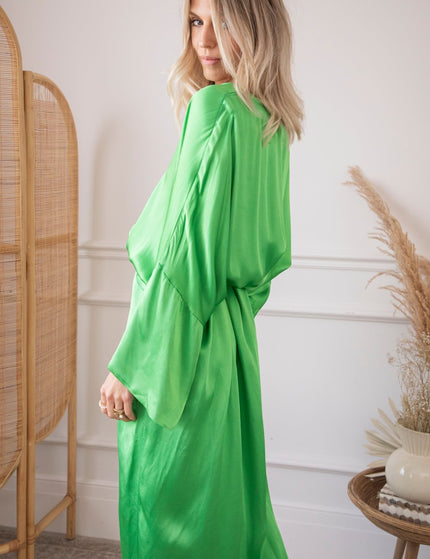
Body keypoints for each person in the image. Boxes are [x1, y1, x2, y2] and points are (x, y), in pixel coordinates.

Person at [99, 0, 303, 556]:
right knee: (229, 519)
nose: (204, 41)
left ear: (256, 30)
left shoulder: (214, 108)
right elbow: (261, 264)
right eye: (196, 22)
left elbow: (181, 256)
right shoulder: (271, 123)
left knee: (164, 521)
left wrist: (132, 365)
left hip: (175, 357)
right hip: (230, 356)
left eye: (224, 23)